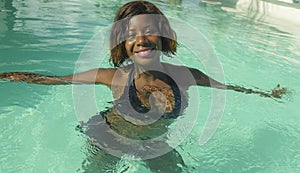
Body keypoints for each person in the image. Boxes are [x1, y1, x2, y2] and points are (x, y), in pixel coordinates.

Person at [0, 1, 287, 172]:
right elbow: (56, 80)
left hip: (157, 143)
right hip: (109, 139)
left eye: (149, 30)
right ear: (122, 44)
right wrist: (10, 75)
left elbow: (226, 87)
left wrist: (267, 94)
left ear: (163, 37)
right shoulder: (112, 77)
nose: (142, 38)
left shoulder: (187, 75)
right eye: (131, 34)